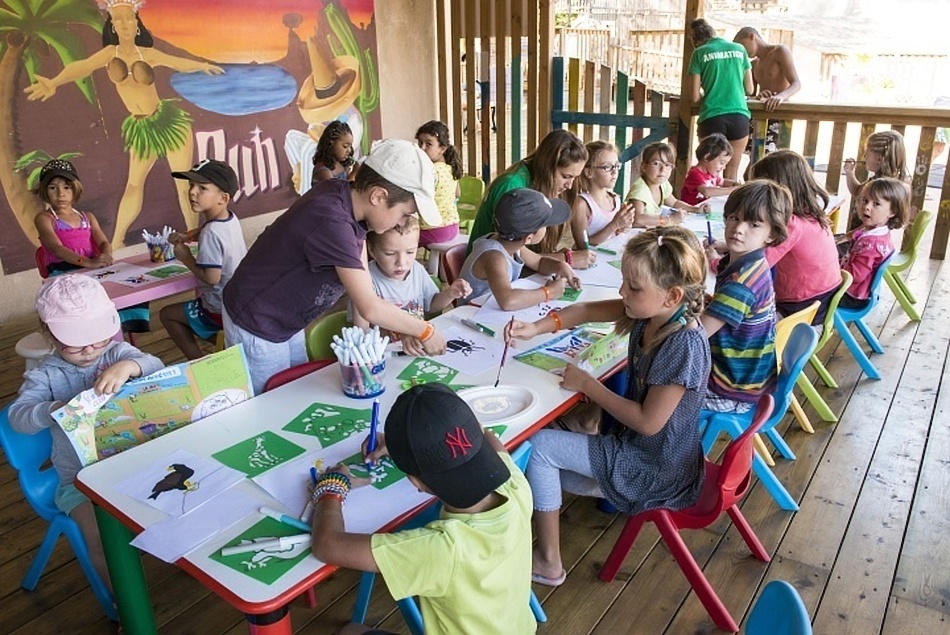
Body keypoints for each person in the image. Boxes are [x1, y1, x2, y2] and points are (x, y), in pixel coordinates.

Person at [503, 227, 711, 586]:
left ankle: (549, 562)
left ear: (672, 295)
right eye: (624, 282)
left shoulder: (683, 345)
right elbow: (585, 310)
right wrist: (535, 328)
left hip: (656, 468)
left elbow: (648, 423)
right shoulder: (653, 313)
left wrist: (588, 385)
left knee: (538, 448)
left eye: (633, 287)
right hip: (641, 450)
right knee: (536, 467)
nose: (622, 292)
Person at [222, 139, 448, 394]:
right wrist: (425, 331)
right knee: (272, 399)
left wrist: (401, 326)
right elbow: (370, 307)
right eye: (405, 214)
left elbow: (363, 286)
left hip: (285, 318)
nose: (402, 222)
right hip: (256, 321)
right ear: (378, 196)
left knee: (294, 391)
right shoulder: (333, 221)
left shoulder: (347, 200)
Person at [309, 383, 536, 635]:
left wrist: (333, 486)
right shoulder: (516, 487)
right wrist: (415, 451)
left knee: (351, 631)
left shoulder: (442, 548)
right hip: (520, 629)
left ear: (415, 482)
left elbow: (326, 545)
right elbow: (488, 438)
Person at [24, 0, 224, 248]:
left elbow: (176, 61)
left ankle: (192, 235)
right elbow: (82, 67)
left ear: (136, 23)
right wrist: (54, 82)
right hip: (142, 128)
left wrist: (203, 65)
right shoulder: (110, 54)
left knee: (183, 183)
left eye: (129, 18)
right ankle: (117, 241)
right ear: (112, 25)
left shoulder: (147, 54)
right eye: (118, 19)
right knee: (133, 184)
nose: (125, 23)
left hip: (167, 122)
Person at [8, 275, 164, 593]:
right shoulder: (45, 375)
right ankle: (124, 602)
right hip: (79, 481)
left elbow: (155, 365)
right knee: (99, 539)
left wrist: (128, 367)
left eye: (98, 337)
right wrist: (52, 410)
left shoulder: (115, 353)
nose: (91, 349)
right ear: (48, 333)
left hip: (131, 463)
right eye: (77, 341)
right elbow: (17, 418)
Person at [702, 181, 789, 415]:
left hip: (729, 389)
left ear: (772, 234)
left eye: (754, 224)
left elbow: (694, 335)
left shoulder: (741, 284)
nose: (739, 229)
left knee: (652, 384)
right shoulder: (753, 263)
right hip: (747, 378)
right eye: (734, 218)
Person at [466, 129, 593, 269]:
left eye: (574, 178)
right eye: (566, 176)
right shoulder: (512, 186)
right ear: (547, 167)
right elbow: (510, 250)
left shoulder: (537, 179)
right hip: (491, 272)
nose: (570, 185)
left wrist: (556, 258)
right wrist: (565, 259)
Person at [159, 160, 247, 360]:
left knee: (167, 314)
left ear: (223, 198)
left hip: (218, 309)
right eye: (191, 185)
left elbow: (211, 278)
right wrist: (189, 235)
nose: (192, 192)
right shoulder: (230, 219)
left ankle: (199, 361)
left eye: (202, 188)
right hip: (236, 303)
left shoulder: (210, 233)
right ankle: (225, 345)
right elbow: (212, 229)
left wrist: (186, 258)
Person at [751, 150, 840, 323]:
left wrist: (715, 261)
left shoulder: (791, 224)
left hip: (800, 307)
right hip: (824, 297)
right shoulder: (811, 213)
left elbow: (755, 267)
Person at [459, 188, 580, 310]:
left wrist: (560, 266)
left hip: (491, 310)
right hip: (472, 315)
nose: (546, 229)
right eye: (545, 226)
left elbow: (538, 262)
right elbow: (508, 301)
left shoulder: (511, 244)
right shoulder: (494, 257)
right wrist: (549, 292)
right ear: (529, 238)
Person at [351, 216, 472, 331]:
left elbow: (431, 305)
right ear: (371, 250)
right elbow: (362, 329)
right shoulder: (364, 280)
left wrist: (450, 293)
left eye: (410, 252)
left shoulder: (417, 270)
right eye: (390, 254)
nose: (401, 262)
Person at [687, 18, 754, 183]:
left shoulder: (699, 53)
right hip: (739, 116)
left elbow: (694, 97)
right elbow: (750, 89)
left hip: (712, 116)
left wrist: (711, 94)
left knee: (708, 173)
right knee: (731, 173)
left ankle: (706, 200)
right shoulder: (739, 49)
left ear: (695, 41)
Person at [837, 178, 908, 309]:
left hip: (849, 295)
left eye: (876, 204)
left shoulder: (871, 244)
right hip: (855, 291)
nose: (867, 207)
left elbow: (855, 276)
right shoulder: (879, 234)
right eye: (865, 200)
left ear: (892, 212)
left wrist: (830, 268)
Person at [34, 159, 113, 273]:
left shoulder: (88, 217)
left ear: (75, 189)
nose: (60, 194)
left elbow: (103, 243)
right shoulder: (44, 219)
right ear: (44, 191)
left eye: (66, 187)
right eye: (52, 188)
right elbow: (56, 249)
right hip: (63, 273)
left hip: (91, 269)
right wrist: (88, 262)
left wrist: (106, 256)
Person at [733, 27, 802, 155]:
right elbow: (750, 94)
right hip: (760, 115)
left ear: (752, 37)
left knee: (773, 157)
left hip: (779, 115)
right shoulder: (753, 64)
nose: (742, 51)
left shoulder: (780, 51)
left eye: (742, 45)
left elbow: (796, 83)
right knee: (754, 156)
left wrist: (781, 96)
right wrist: (758, 96)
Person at [625, 141, 709, 228]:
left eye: (667, 165)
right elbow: (637, 219)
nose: (662, 169)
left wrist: (695, 209)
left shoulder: (662, 184)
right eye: (656, 163)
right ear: (644, 166)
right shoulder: (640, 190)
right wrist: (668, 220)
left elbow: (674, 203)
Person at [570, 141, 633, 246]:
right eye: (607, 167)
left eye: (616, 166)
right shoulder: (582, 204)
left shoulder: (615, 199)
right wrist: (614, 225)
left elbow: (615, 234)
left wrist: (624, 226)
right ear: (589, 172)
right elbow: (583, 245)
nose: (614, 172)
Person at [844, 130, 910, 230]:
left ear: (879, 159)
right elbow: (857, 191)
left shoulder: (882, 186)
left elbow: (869, 225)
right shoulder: (880, 180)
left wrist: (848, 236)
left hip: (864, 236)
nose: (864, 156)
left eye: (867, 153)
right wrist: (850, 173)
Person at [415, 120, 463, 247]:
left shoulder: (431, 171)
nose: (422, 148)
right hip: (453, 226)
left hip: (433, 230)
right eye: (420, 143)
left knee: (393, 238)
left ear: (442, 148)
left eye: (428, 144)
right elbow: (458, 194)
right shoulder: (450, 168)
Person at [680, 133, 739, 206]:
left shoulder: (711, 174)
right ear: (708, 157)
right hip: (691, 210)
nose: (724, 167)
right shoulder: (695, 174)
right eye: (722, 163)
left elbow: (723, 182)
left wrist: (735, 184)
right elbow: (706, 191)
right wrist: (733, 190)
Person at [311, 120, 355, 185]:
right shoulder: (323, 171)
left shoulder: (343, 166)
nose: (349, 150)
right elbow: (339, 190)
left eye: (350, 146)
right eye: (345, 146)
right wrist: (354, 173)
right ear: (331, 143)